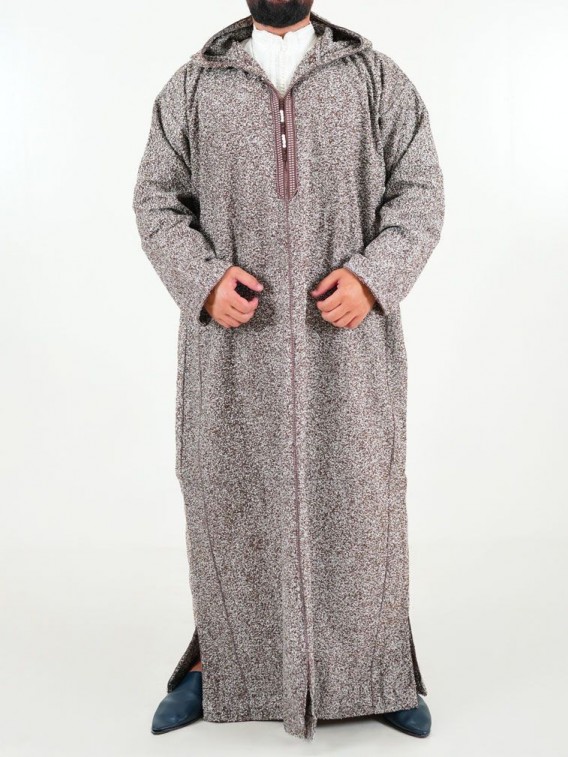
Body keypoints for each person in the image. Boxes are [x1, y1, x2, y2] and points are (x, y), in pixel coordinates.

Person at [132, 0, 445, 742]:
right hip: (233, 354)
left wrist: (373, 277)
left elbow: (421, 193)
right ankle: (223, 669)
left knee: (363, 505)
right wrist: (202, 279)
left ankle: (377, 673)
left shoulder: (375, 80)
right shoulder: (194, 86)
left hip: (350, 351)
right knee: (231, 507)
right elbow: (156, 201)